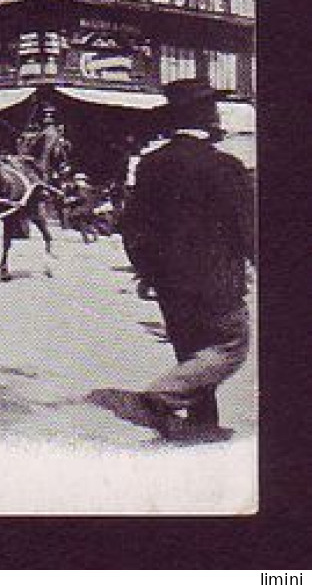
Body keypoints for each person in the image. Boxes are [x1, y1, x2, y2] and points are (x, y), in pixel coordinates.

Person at [92, 79, 255, 443]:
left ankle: (201, 426)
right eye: (213, 108)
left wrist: (147, 270)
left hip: (168, 281)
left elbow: (132, 225)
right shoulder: (225, 166)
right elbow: (248, 227)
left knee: (192, 352)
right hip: (217, 280)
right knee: (231, 347)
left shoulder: (151, 165)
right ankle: (158, 399)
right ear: (205, 117)